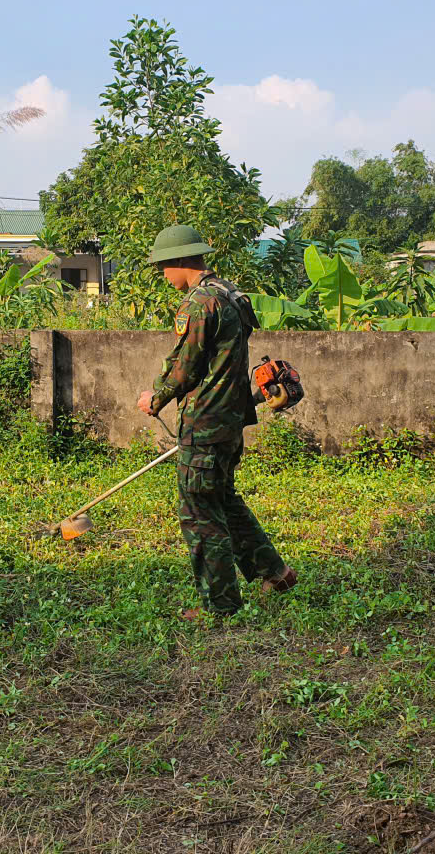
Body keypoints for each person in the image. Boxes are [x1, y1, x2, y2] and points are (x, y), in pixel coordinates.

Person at [136, 224, 297, 620]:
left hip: (205, 422)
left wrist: (155, 398)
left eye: (163, 267)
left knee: (199, 514)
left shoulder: (199, 303)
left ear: (179, 261)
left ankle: (221, 605)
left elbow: (185, 366)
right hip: (230, 418)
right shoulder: (230, 294)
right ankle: (275, 573)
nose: (163, 275)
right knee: (223, 499)